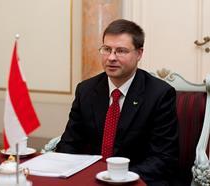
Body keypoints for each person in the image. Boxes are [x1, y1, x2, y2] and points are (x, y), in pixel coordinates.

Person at [56, 19, 179, 185]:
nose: (111, 58)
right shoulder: (86, 90)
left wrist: (116, 178)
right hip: (92, 179)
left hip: (137, 180)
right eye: (107, 49)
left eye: (121, 51)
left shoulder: (160, 94)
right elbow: (69, 145)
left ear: (139, 54)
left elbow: (163, 158)